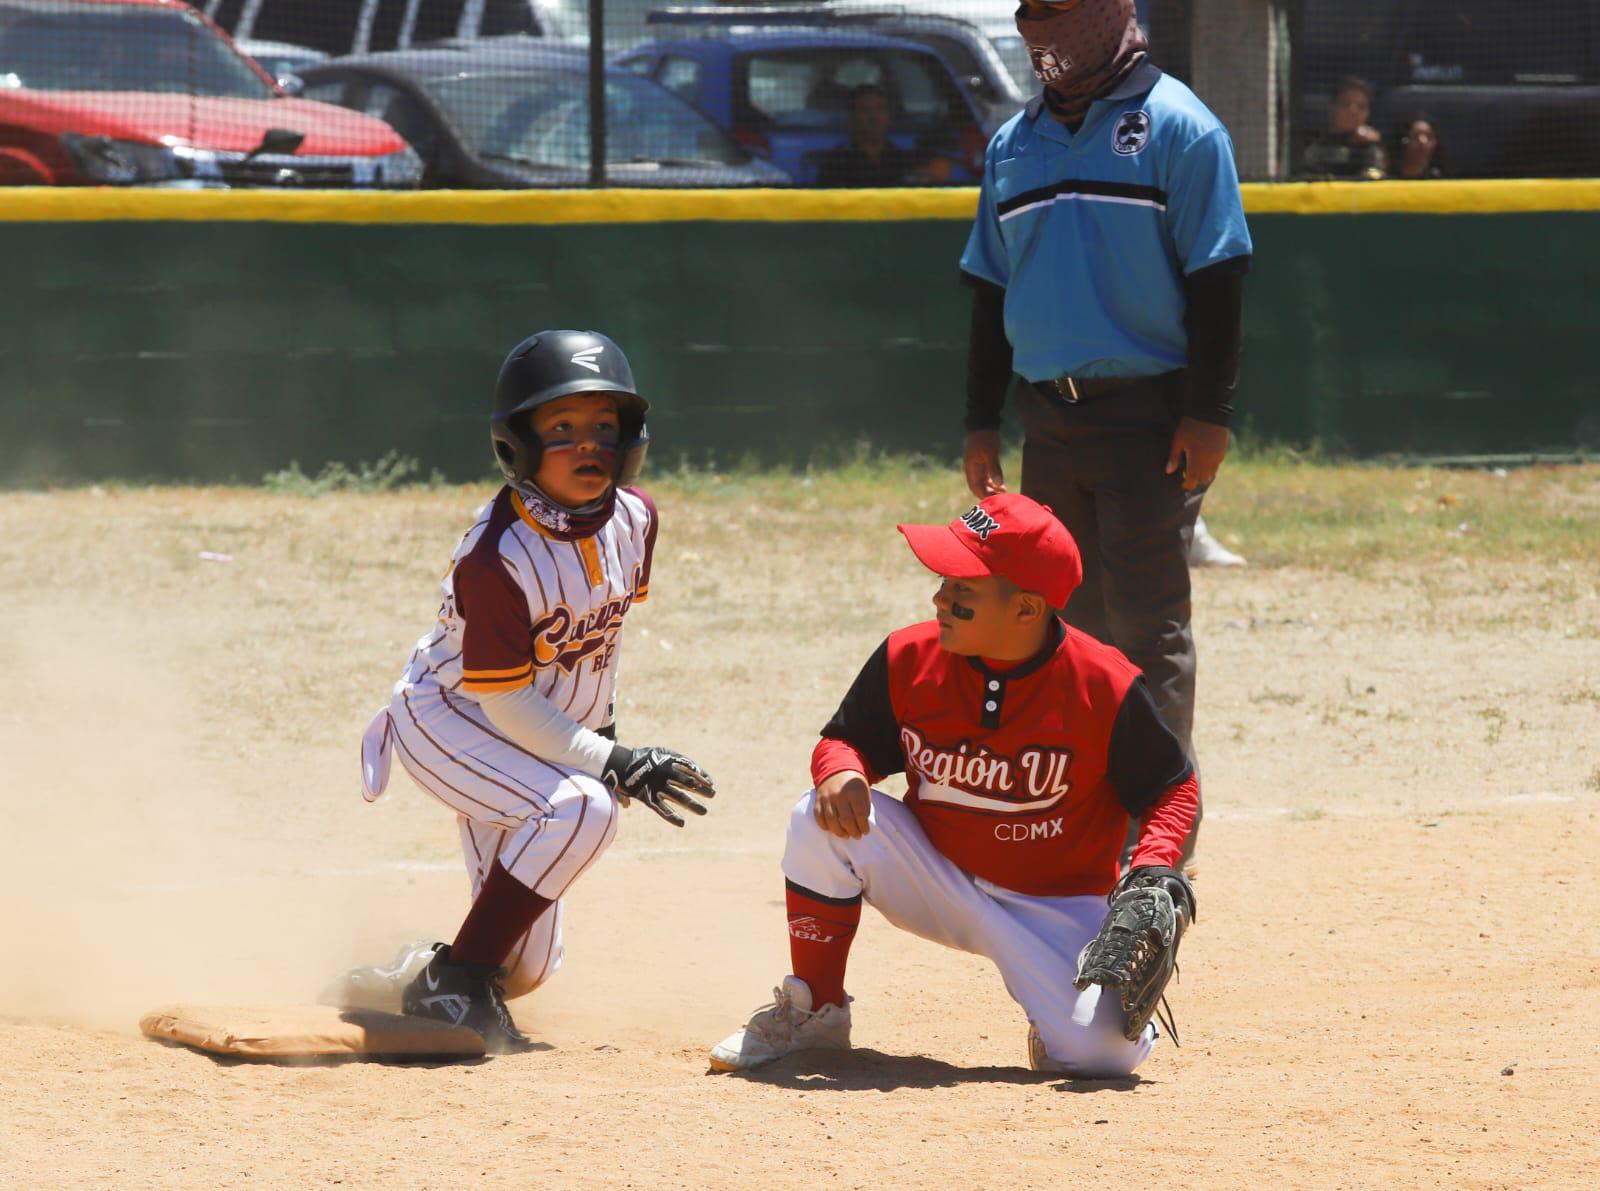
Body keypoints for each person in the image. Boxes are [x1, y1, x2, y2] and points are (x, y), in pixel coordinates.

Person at [707, 494, 1199, 1075]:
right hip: (932, 872)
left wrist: (1153, 863)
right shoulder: (908, 656)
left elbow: (1173, 786)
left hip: (1055, 903)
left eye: (963, 587)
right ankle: (816, 1011)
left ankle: (1066, 1029)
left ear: (1026, 609)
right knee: (816, 817)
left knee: (1100, 1059)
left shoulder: (1104, 685)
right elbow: (847, 740)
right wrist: (841, 768)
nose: (940, 597)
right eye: (944, 579)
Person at [325, 330, 716, 1053]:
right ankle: (455, 985)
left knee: (527, 966)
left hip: (534, 732)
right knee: (584, 808)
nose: (588, 444)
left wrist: (604, 736)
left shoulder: (636, 519)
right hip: (452, 720)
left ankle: (422, 975)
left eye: (604, 426)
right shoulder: (497, 555)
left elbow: (601, 645)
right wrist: (610, 759)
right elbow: (503, 699)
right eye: (561, 428)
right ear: (518, 443)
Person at [959, 0, 1251, 874]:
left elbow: (1220, 274)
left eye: (1059, 8)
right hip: (1049, 414)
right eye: (1030, 9)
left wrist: (1210, 412)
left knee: (1146, 618)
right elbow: (987, 290)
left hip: (1149, 416)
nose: (1039, 23)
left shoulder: (1180, 128)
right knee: (1059, 617)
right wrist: (981, 417)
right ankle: (1083, 802)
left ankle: (1159, 829)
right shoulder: (1015, 144)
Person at [813, 84, 944, 187]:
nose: (874, 117)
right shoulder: (837, 163)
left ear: (888, 117)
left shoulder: (900, 160)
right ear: (851, 118)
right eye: (865, 110)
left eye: (880, 109)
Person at [1302, 76, 1387, 179]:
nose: (1353, 111)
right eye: (1345, 104)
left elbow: (1377, 176)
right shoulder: (1313, 147)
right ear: (1332, 107)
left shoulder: (1370, 148)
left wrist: (1379, 145)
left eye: (1361, 106)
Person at [1393, 113, 1444, 180]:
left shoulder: (1439, 179)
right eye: (1415, 136)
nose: (1423, 142)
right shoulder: (1388, 179)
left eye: (1429, 136)